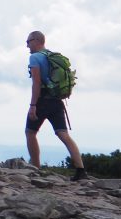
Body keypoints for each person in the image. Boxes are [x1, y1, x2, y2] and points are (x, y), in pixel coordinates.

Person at [25, 30, 88, 181]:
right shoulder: (52, 56)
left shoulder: (35, 58)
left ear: (37, 40)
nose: (27, 45)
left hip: (42, 101)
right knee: (63, 134)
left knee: (30, 132)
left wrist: (33, 105)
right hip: (57, 101)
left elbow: (37, 83)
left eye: (28, 41)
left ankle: (36, 169)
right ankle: (81, 170)